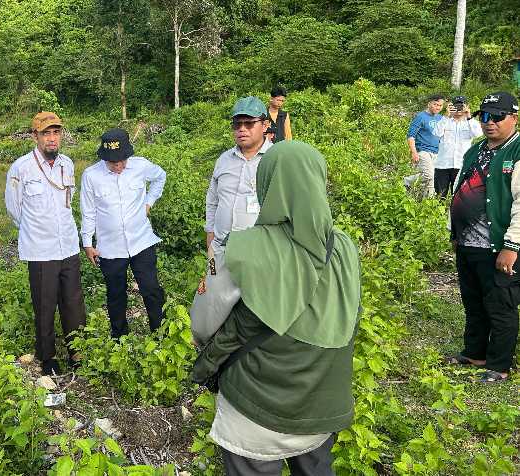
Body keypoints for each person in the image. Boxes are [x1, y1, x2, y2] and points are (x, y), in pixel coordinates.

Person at [192, 141, 362, 476]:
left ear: (266, 184)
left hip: (255, 405)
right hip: (321, 403)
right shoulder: (344, 248)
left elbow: (204, 322)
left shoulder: (243, 249)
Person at [5, 112, 86, 376]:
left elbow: (68, 201)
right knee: (45, 303)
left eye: (56, 133)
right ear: (35, 136)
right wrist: (36, 230)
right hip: (41, 249)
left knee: (73, 302)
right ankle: (47, 356)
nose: (52, 139)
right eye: (46, 133)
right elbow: (14, 209)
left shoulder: (67, 164)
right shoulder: (21, 168)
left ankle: (77, 351)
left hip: (69, 245)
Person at [447, 91, 520, 383]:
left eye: (497, 117)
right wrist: (454, 232)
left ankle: (499, 364)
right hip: (469, 243)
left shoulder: (516, 152)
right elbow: (459, 189)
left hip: (498, 246)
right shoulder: (475, 150)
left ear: (513, 118)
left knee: (500, 304)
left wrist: (512, 246)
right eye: (485, 117)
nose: (489, 123)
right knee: (473, 301)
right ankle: (475, 352)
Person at [81, 128, 167, 338]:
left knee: (151, 289)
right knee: (116, 294)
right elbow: (88, 210)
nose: (118, 166)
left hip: (141, 241)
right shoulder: (91, 176)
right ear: (104, 158)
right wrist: (87, 243)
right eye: (113, 162)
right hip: (110, 247)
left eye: (122, 161)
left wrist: (148, 203)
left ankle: (161, 333)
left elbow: (160, 177)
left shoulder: (141, 166)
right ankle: (119, 338)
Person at [205, 96, 272, 255]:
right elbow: (213, 199)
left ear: (264, 125)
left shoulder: (276, 159)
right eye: (237, 124)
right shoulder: (224, 159)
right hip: (220, 248)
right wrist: (210, 236)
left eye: (249, 123)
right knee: (215, 278)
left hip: (260, 252)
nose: (242, 129)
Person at [432, 96, 482, 199]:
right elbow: (436, 133)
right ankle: (439, 214)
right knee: (440, 196)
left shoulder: (470, 122)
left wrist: (469, 116)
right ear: (451, 106)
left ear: (466, 106)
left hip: (461, 165)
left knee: (460, 197)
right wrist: (446, 115)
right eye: (456, 105)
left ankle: (454, 215)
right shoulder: (445, 121)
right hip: (443, 165)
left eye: (461, 105)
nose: (459, 108)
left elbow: (478, 134)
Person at [407, 94, 445, 197]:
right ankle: (428, 201)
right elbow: (411, 136)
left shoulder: (441, 118)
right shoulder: (421, 117)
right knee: (429, 175)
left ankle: (407, 182)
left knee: (431, 176)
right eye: (435, 104)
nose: (437, 107)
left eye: (440, 105)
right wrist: (414, 152)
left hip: (436, 152)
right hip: (423, 150)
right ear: (429, 104)